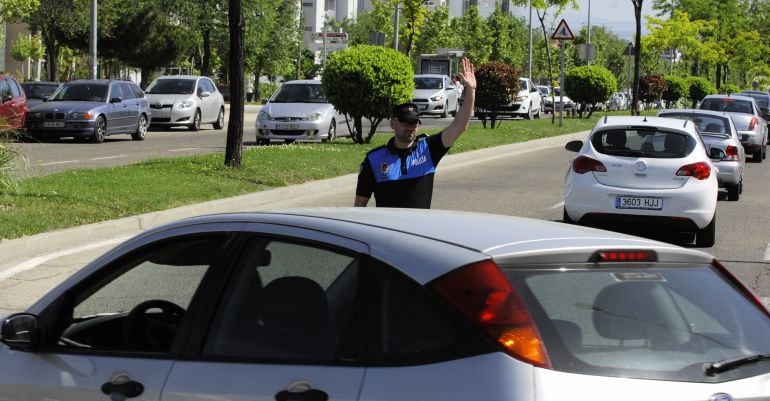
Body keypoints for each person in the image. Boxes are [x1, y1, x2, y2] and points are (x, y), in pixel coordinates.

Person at [354, 57, 476, 208]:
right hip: (387, 230)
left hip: (417, 230)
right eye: (405, 123)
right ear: (393, 124)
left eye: (414, 123)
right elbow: (360, 204)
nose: (411, 127)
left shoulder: (428, 149)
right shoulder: (374, 159)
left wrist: (471, 91)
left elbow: (459, 126)